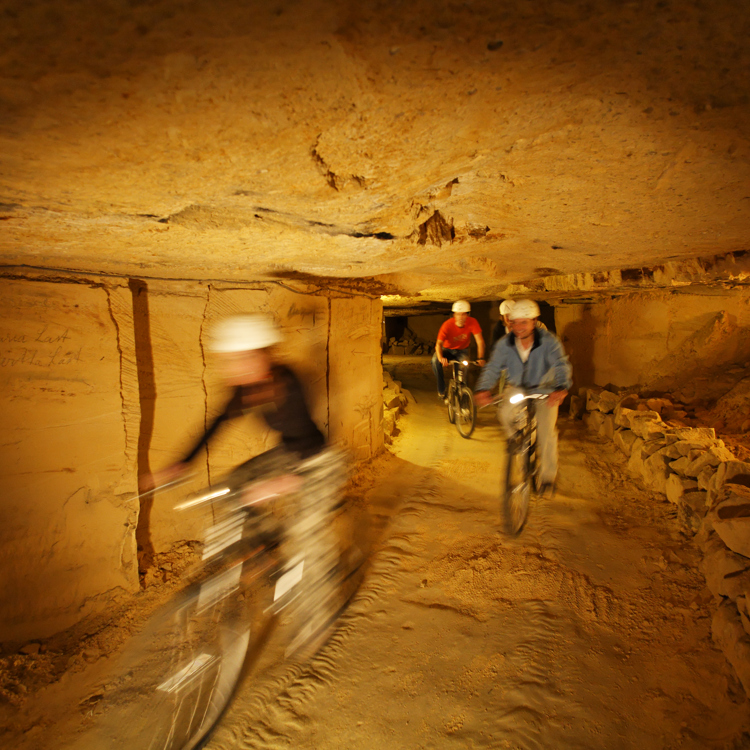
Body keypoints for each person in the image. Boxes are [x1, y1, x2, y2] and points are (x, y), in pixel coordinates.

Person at [140, 314, 346, 656]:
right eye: (231, 360)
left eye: (244, 358)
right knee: (234, 484)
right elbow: (215, 424)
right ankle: (261, 554)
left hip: (316, 461)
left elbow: (305, 441)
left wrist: (281, 484)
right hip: (285, 454)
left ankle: (316, 620)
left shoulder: (289, 383)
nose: (235, 367)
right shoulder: (243, 390)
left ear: (265, 355)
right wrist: (180, 465)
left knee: (306, 539)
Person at [475, 299, 572, 495]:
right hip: (519, 387)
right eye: (514, 322)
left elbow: (561, 364)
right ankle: (518, 442)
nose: (518, 327)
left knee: (546, 434)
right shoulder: (506, 343)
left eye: (523, 322)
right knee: (505, 413)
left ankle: (547, 477)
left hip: (546, 390)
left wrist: (560, 388)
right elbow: (494, 367)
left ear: (534, 321)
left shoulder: (548, 341)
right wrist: (484, 388)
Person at [431, 300, 486, 400]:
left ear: (468, 315)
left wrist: (480, 357)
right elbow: (438, 344)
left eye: (463, 314)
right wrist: (441, 358)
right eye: (458, 314)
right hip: (447, 350)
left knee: (463, 371)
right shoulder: (447, 325)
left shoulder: (472, 322)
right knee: (435, 361)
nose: (461, 317)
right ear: (454, 315)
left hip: (462, 351)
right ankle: (442, 390)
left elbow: (480, 342)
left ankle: (464, 396)